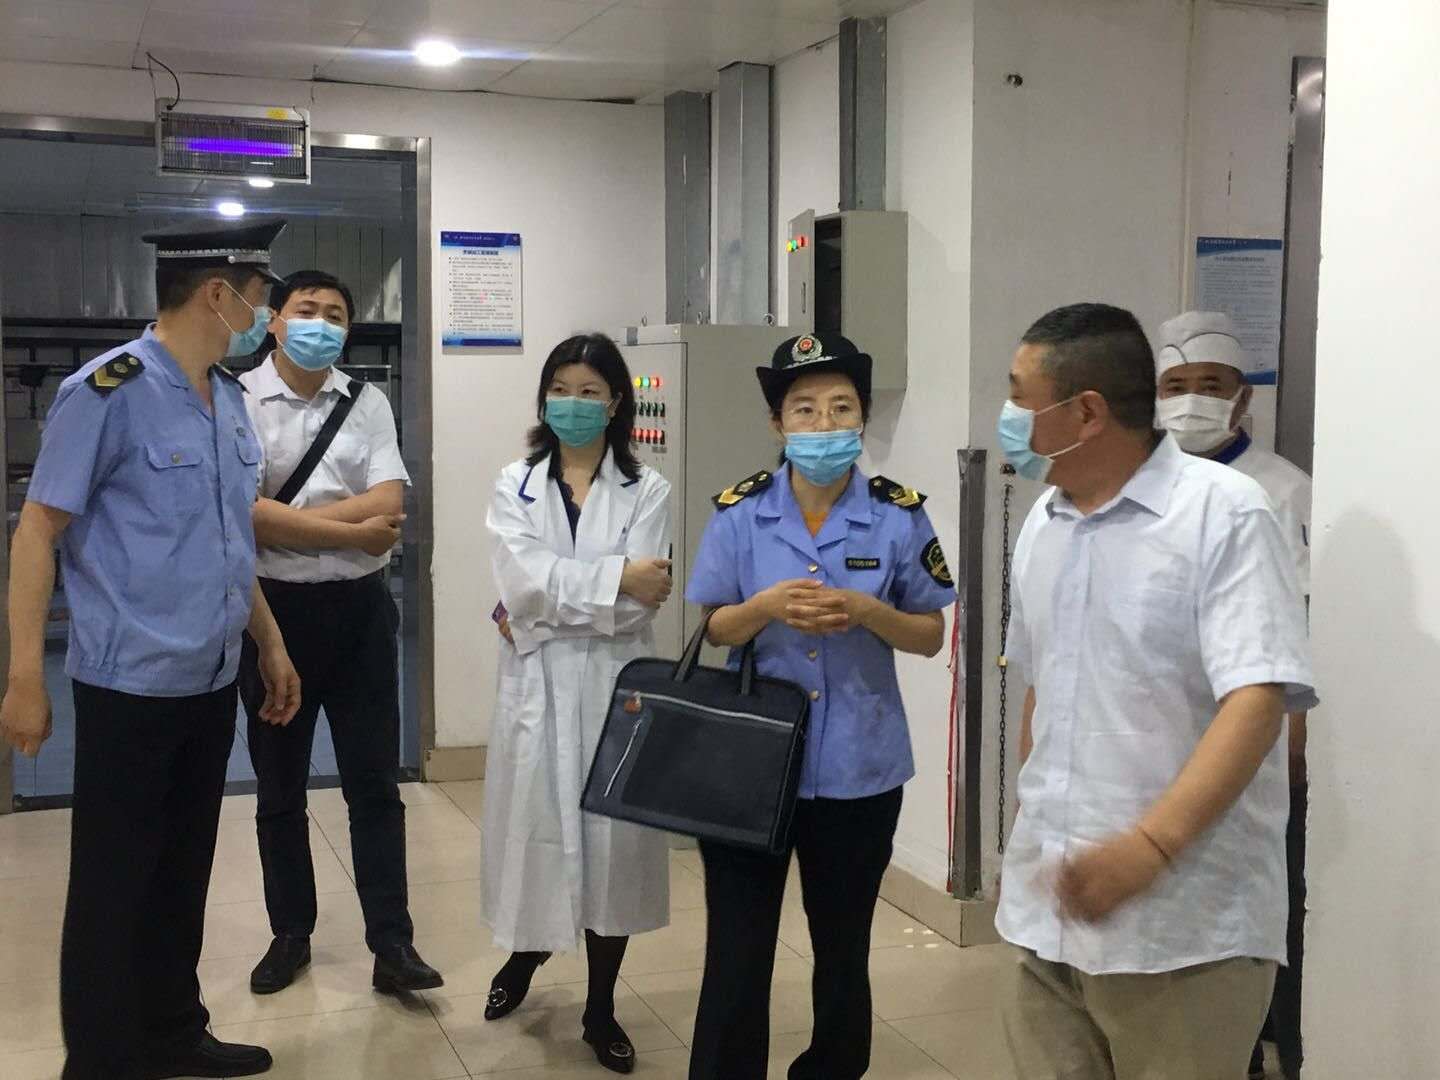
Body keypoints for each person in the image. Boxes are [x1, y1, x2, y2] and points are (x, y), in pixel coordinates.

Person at [0, 218, 303, 1080]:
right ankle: (101, 1061)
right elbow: (37, 530)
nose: (267, 315)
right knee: (113, 884)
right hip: (128, 686)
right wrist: (23, 676)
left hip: (207, 680)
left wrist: (270, 643)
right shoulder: (108, 392)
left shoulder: (225, 400)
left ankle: (172, 1030)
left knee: (181, 871)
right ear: (219, 293)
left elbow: (227, 543)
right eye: (261, 296)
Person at [993, 303, 1317, 1080]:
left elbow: (1256, 703)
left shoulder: (1225, 513)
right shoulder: (1044, 520)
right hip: (1049, 914)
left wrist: (1146, 849)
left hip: (1184, 931)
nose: (1008, 417)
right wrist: (1030, 828)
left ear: (1087, 413)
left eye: (1020, 396)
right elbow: (1042, 688)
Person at [684, 333, 955, 1080]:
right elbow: (714, 628)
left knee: (843, 948)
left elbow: (930, 635)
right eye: (804, 409)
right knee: (737, 946)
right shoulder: (740, 513)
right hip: (749, 767)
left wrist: (869, 612)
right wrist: (765, 606)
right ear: (778, 423)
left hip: (859, 768)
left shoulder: (898, 516)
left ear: (862, 419)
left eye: (841, 408)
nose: (824, 424)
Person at [237, 269, 442, 997]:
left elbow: (389, 502)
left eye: (335, 314)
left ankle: (392, 943)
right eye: (307, 310)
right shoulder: (237, 400)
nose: (321, 323)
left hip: (361, 614)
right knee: (279, 788)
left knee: (375, 785)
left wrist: (287, 523)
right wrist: (349, 531)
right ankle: (290, 934)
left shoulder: (367, 401)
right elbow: (243, 516)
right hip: (273, 620)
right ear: (274, 320)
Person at [481, 333, 675, 1074]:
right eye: (561, 389)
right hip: (537, 685)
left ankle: (600, 1006)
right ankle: (525, 956)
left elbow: (638, 606)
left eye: (590, 391)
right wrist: (612, 578)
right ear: (544, 398)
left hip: (614, 687)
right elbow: (518, 584)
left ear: (617, 402)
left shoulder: (647, 488)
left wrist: (550, 601)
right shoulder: (515, 483)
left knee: (611, 847)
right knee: (535, 829)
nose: (574, 403)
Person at [1154, 310, 1312, 1080]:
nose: (1193, 401)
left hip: (1254, 740)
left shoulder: (1281, 491)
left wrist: (1296, 747)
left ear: (1243, 397)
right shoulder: (1145, 488)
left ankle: (1286, 1050)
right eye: (1176, 386)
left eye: (1211, 386)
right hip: (1166, 743)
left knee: (1258, 915)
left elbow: (1304, 628)